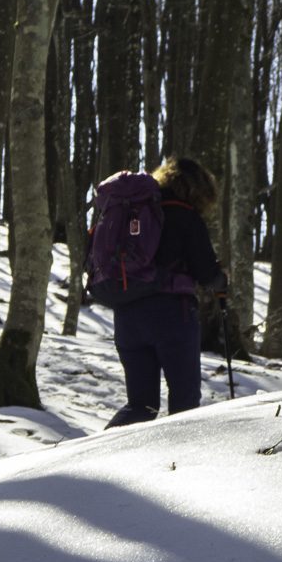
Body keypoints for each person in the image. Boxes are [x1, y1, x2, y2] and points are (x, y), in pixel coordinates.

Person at [105, 156, 227, 429]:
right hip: (172, 316)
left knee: (141, 405)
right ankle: (178, 469)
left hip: (127, 315)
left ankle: (87, 459)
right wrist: (222, 280)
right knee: (185, 405)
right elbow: (207, 274)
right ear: (199, 188)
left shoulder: (135, 213)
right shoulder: (186, 216)